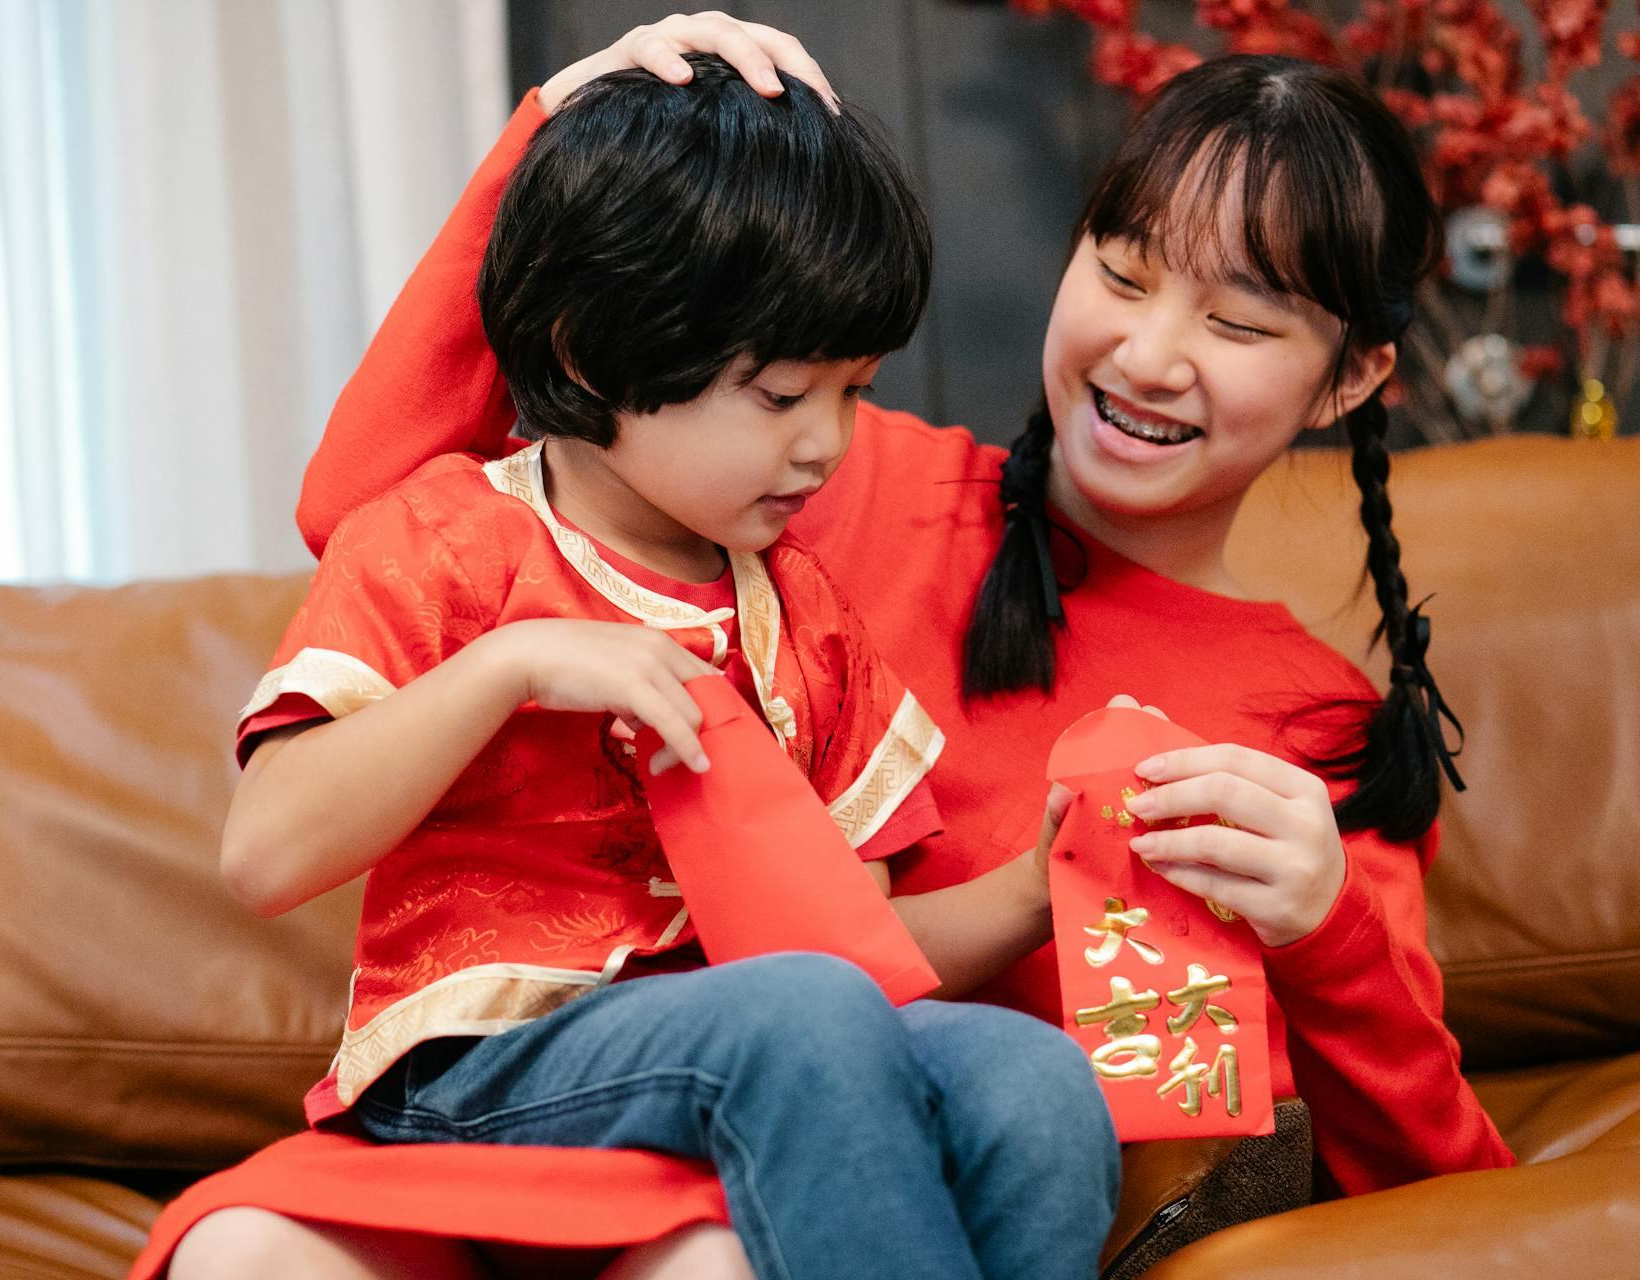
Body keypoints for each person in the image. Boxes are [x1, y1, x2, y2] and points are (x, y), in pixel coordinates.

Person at [294, 9, 1518, 1215]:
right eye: (1120, 273)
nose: (1146, 355)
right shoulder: (815, 477)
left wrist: (1326, 931)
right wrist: (561, 142)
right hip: (651, 1137)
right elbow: (367, 510)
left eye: (1238, 323)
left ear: (1348, 379)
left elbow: (1447, 1203)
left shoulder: (1310, 733)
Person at [158, 48, 1118, 1280]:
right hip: (478, 1061)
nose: (827, 443)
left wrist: (1041, 885)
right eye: (778, 395)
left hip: (747, 1063)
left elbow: (858, 936)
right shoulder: (445, 535)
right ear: (597, 354)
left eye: (853, 390)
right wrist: (509, 665)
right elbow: (267, 849)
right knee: (806, 1011)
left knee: (1029, 1074)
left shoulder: (802, 617)